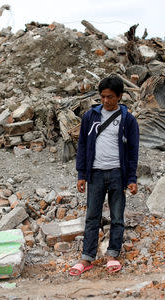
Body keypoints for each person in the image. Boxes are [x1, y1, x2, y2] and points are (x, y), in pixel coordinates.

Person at [69, 75, 139, 276]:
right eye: (103, 97)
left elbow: (133, 151)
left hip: (118, 173)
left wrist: (132, 178)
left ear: (119, 96)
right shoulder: (90, 117)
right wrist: (81, 174)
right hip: (96, 174)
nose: (106, 101)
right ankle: (87, 258)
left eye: (110, 97)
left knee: (117, 217)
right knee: (92, 217)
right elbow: (82, 145)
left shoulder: (128, 120)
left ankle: (112, 255)